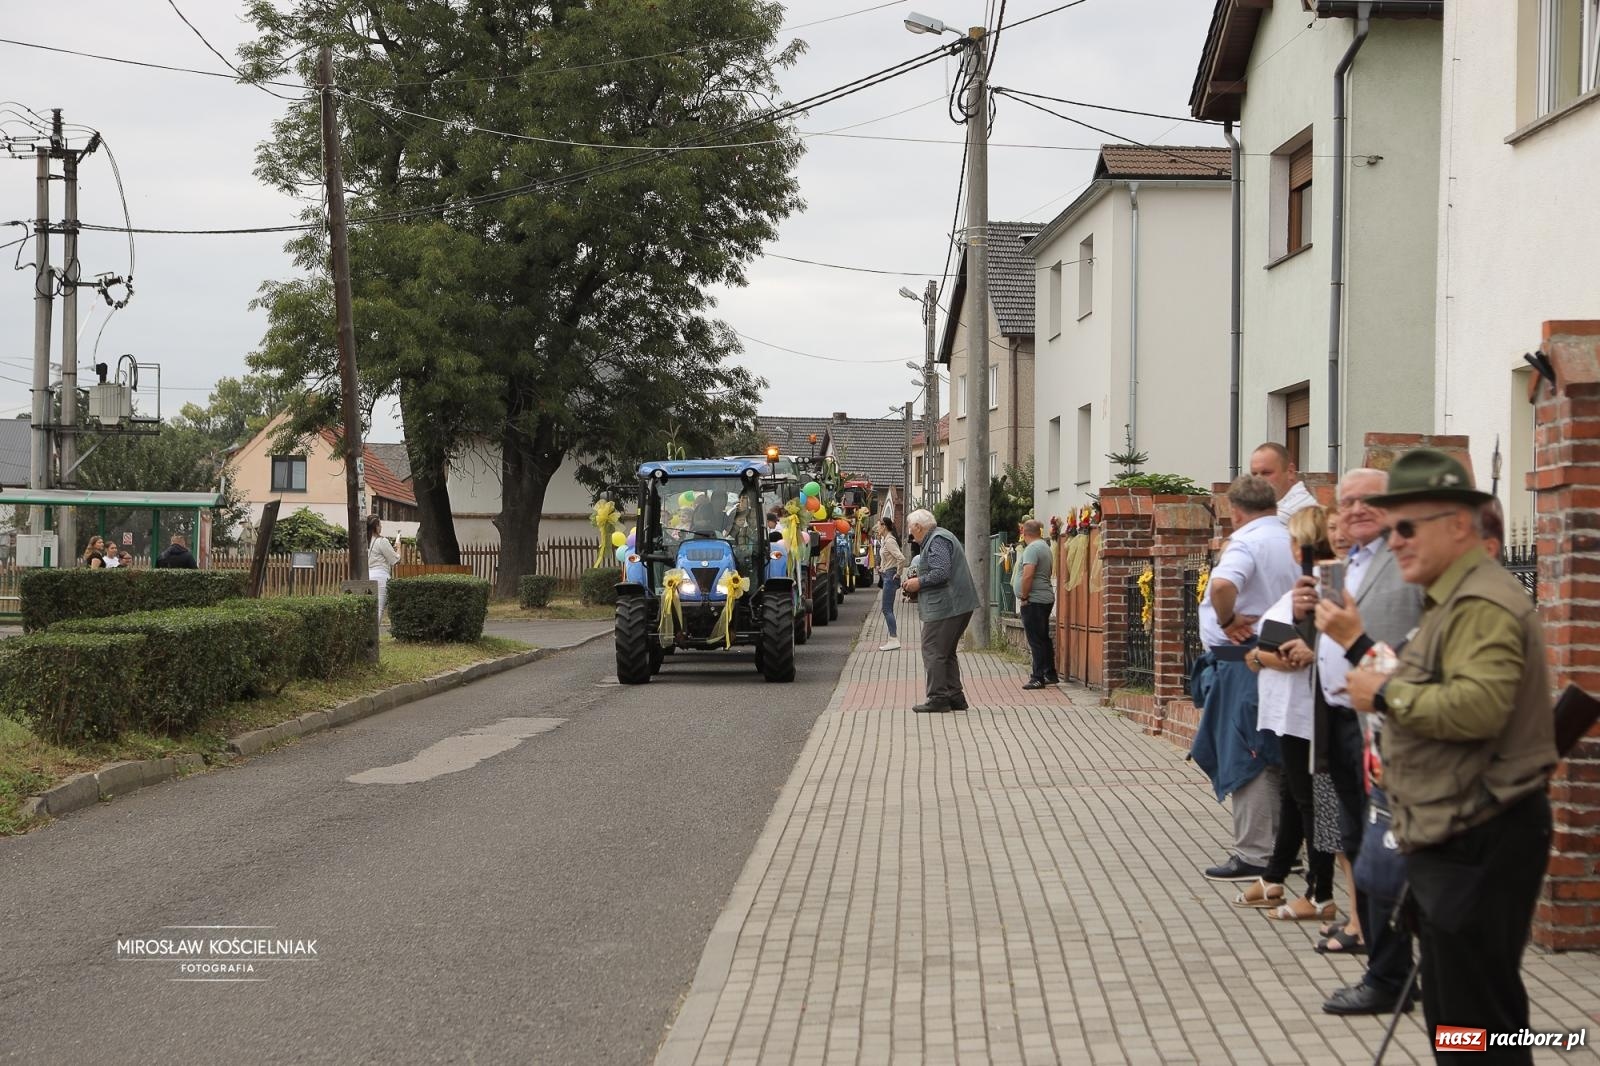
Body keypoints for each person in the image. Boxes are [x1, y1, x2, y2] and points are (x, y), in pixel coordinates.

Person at [1345, 450, 1556, 1053]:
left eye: (1406, 527)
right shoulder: (1452, 598)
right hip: (1458, 833)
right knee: (1466, 1019)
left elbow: (1478, 708)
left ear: (1458, 525)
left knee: (1474, 1023)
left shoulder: (1479, 604)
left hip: (1479, 835)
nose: (1395, 541)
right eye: (1390, 529)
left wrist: (1385, 692)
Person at [1297, 469, 1425, 1012]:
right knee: (1350, 835)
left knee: (1379, 845)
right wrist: (1309, 616)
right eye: (1344, 503)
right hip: (1334, 716)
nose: (1352, 511)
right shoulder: (1343, 564)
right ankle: (1377, 954)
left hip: (1385, 720)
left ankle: (1391, 972)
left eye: (1367, 501)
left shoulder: (1410, 562)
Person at [1192, 474, 1298, 881]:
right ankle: (1286, 847)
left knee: (1248, 754)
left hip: (1246, 660)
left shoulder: (1247, 541)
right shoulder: (1290, 538)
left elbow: (1222, 585)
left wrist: (1228, 618)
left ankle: (1255, 853)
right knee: (1278, 753)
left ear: (1234, 511)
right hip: (1285, 652)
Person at [1237, 506, 1335, 921]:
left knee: (1315, 801)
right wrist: (1260, 656)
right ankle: (1275, 877)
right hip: (1289, 710)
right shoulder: (1301, 588)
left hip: (1307, 710)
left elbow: (1283, 654)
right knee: (1294, 797)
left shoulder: (1321, 589)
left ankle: (1320, 892)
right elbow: (1261, 654)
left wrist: (1262, 656)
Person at [901, 508, 977, 713]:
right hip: (958, 604)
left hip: (947, 606)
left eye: (911, 529)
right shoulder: (940, 537)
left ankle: (938, 698)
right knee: (946, 652)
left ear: (918, 527)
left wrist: (918, 582)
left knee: (933, 649)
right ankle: (955, 696)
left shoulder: (937, 540)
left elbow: (941, 572)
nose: (911, 535)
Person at [1013, 519, 1059, 690]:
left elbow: (1028, 575)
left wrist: (1024, 597)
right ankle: (1050, 673)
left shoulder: (1032, 549)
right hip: (1044, 598)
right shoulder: (1044, 546)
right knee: (1043, 638)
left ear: (1024, 533)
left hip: (1034, 600)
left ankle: (1037, 677)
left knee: (1036, 640)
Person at [1250, 441, 1317, 518]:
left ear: (1290, 471)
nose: (1258, 480)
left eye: (1266, 473)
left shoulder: (1287, 514)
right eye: (1254, 474)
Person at [874, 516, 907, 652]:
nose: (877, 529)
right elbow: (890, 557)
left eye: (878, 526)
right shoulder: (886, 540)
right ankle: (892, 638)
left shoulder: (889, 541)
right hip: (887, 573)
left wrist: (898, 573)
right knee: (887, 609)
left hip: (890, 576)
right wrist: (882, 567)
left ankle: (893, 639)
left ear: (884, 526)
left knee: (887, 609)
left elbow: (901, 558)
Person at [367, 515, 400, 621]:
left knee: (368, 608)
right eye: (380, 525)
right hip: (380, 577)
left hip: (366, 575)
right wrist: (398, 548)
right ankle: (373, 635)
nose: (381, 527)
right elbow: (395, 560)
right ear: (376, 526)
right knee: (378, 608)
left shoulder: (364, 541)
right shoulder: (382, 541)